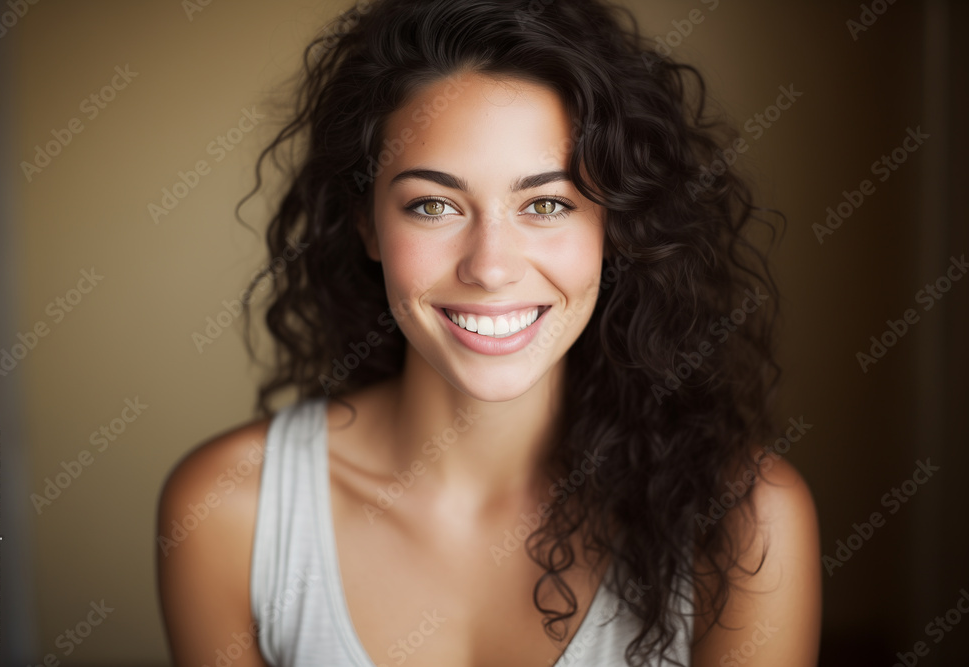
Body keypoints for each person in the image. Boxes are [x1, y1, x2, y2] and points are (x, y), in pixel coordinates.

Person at [156, 0, 822, 665]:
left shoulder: (744, 521)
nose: (490, 267)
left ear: (615, 225)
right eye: (433, 205)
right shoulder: (229, 509)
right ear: (367, 222)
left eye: (547, 204)